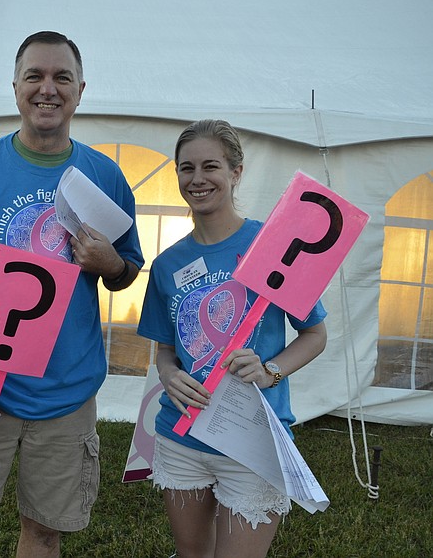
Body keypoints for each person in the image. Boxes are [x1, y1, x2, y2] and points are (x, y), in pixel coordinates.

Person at [0, 31, 144, 557]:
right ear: (15, 86)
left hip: (66, 394)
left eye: (62, 77)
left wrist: (111, 262)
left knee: (44, 533)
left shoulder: (104, 175)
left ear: (80, 90)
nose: (48, 89)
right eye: (35, 76)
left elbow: (125, 270)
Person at [138, 119, 328, 557]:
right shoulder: (168, 264)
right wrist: (168, 375)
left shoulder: (274, 245)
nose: (198, 179)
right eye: (187, 168)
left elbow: (315, 334)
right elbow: (165, 349)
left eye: (211, 166)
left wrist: (270, 370)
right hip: (180, 436)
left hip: (253, 438)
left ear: (236, 172)